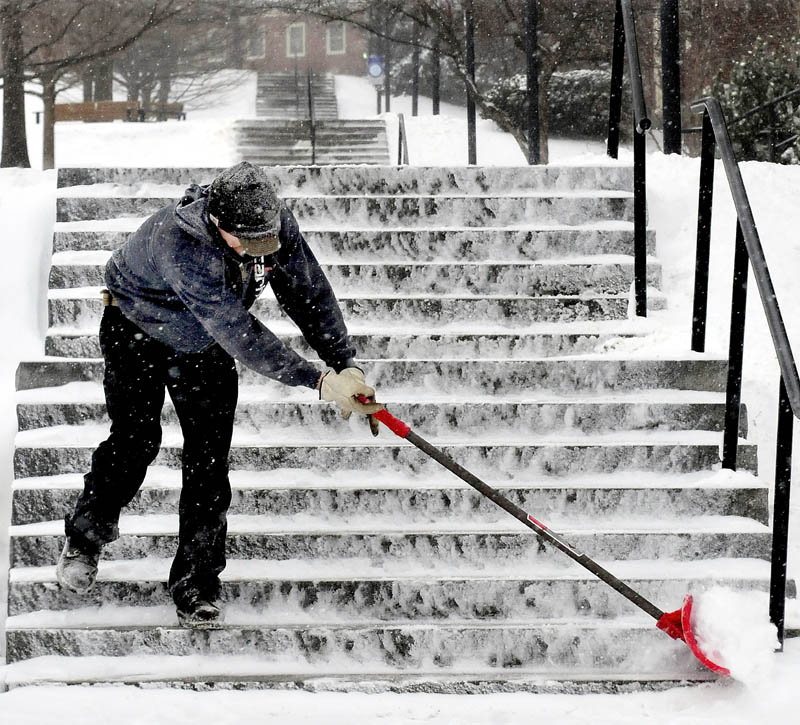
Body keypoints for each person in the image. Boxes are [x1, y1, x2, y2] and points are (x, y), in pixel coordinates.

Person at [56, 161, 382, 628]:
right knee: (135, 442)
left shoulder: (270, 223)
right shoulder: (179, 242)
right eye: (247, 244)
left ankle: (196, 582)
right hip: (136, 329)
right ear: (217, 222)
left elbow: (307, 292)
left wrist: (344, 362)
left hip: (203, 345)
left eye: (266, 241)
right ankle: (85, 536)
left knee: (209, 460)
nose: (259, 252)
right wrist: (317, 381)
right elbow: (237, 330)